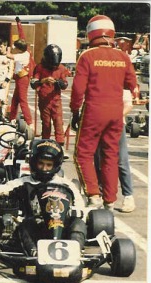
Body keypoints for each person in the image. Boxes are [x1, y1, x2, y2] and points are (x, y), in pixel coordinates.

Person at [70, 15, 138, 210]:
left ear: (91, 32)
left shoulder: (87, 56)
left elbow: (77, 90)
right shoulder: (123, 56)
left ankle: (93, 195)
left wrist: (75, 111)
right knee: (111, 155)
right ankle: (110, 199)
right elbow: (132, 85)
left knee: (82, 154)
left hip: (94, 110)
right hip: (116, 111)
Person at [0, 139, 87, 255]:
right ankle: (36, 254)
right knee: (26, 223)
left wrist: (77, 213)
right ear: (34, 162)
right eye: (41, 163)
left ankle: (75, 252)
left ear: (56, 166)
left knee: (78, 223)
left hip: (61, 228)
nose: (44, 168)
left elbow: (80, 207)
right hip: (34, 229)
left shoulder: (66, 185)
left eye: (49, 165)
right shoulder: (22, 183)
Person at [94, 90, 136, 213]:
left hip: (117, 125)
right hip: (98, 124)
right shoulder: (98, 80)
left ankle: (128, 196)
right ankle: (101, 194)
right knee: (99, 160)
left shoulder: (120, 81)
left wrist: (115, 116)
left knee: (121, 160)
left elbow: (129, 104)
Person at [30, 44, 69, 151]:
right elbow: (33, 83)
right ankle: (45, 144)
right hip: (44, 100)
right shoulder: (40, 67)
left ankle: (60, 146)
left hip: (56, 100)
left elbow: (65, 84)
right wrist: (43, 80)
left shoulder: (61, 68)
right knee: (46, 123)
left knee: (58, 122)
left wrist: (57, 82)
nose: (53, 67)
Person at [7, 39, 33, 129]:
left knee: (23, 100)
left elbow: (8, 55)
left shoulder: (22, 56)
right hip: (19, 78)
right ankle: (12, 118)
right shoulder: (26, 53)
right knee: (15, 100)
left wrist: (8, 48)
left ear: (19, 49)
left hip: (22, 78)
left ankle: (29, 122)